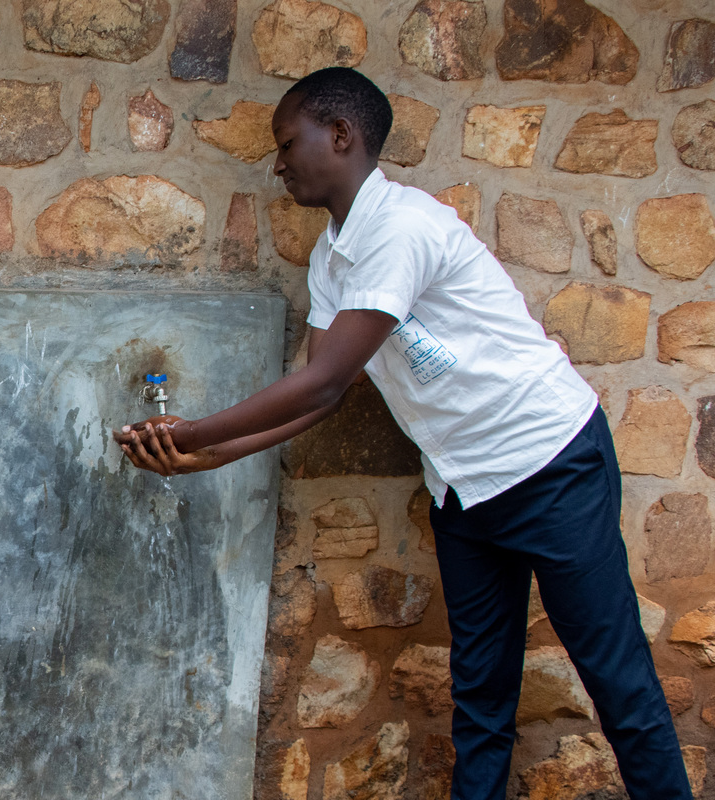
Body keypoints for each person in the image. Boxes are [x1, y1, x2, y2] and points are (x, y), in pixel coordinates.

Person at [115, 67, 691, 800]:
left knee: (618, 685)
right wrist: (198, 457)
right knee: (480, 696)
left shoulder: (404, 227)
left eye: (289, 142)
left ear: (342, 135)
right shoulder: (333, 256)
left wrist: (193, 429)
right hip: (463, 489)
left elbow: (321, 383)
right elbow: (319, 397)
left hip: (549, 466)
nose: (279, 162)